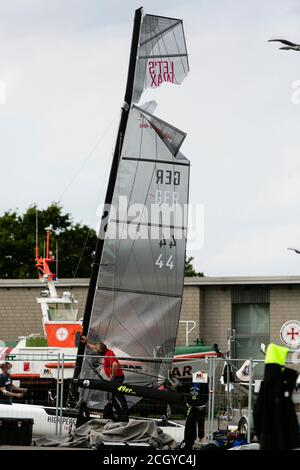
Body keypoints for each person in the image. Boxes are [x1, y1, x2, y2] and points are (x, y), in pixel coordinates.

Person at [81, 336, 128, 419]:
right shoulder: (106, 352)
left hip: (117, 378)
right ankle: (121, 413)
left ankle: (123, 414)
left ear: (101, 351)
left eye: (97, 351)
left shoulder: (108, 355)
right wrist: (87, 343)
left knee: (117, 397)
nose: (96, 351)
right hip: (117, 378)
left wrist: (112, 377)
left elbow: (115, 365)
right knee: (113, 397)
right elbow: (95, 348)